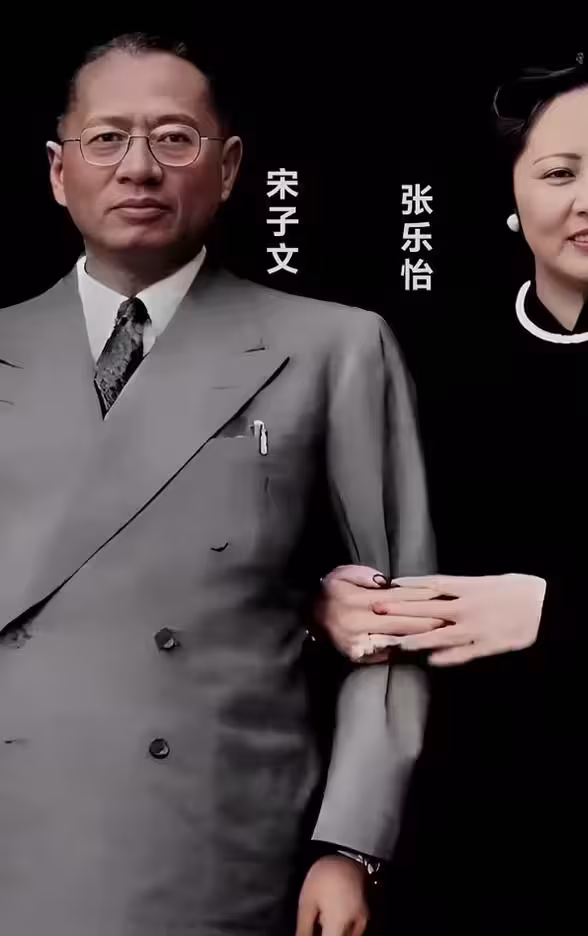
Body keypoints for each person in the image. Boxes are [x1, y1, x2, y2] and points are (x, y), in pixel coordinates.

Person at [0, 32, 436, 936]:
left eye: (173, 139)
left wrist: (351, 844)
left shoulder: (334, 346)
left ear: (229, 167)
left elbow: (401, 617)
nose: (139, 168)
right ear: (58, 172)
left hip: (217, 841)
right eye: (107, 139)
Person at [318, 52, 588, 932]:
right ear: (512, 194)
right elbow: (348, 545)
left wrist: (560, 613)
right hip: (464, 819)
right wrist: (328, 602)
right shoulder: (438, 354)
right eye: (559, 173)